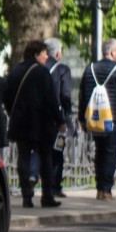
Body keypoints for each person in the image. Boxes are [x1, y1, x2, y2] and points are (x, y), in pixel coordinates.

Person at [4, 39, 66, 208]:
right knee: (45, 158)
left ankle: (26, 196)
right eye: (44, 53)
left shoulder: (15, 71)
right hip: (41, 123)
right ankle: (47, 196)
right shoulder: (42, 72)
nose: (47, 57)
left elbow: (7, 97)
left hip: (20, 122)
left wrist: (13, 113)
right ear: (36, 55)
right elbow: (51, 100)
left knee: (23, 157)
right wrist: (60, 121)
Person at [78, 38, 116, 201]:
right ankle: (106, 190)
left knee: (99, 152)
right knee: (110, 153)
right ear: (112, 52)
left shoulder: (90, 69)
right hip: (113, 118)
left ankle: (99, 189)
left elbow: (83, 95)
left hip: (95, 118)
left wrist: (82, 119)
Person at [43, 38, 73, 199]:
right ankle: (54, 186)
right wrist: (67, 114)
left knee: (39, 151)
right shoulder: (62, 69)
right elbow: (66, 94)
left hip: (39, 117)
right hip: (57, 119)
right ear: (57, 53)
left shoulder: (38, 68)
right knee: (57, 152)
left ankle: (34, 180)